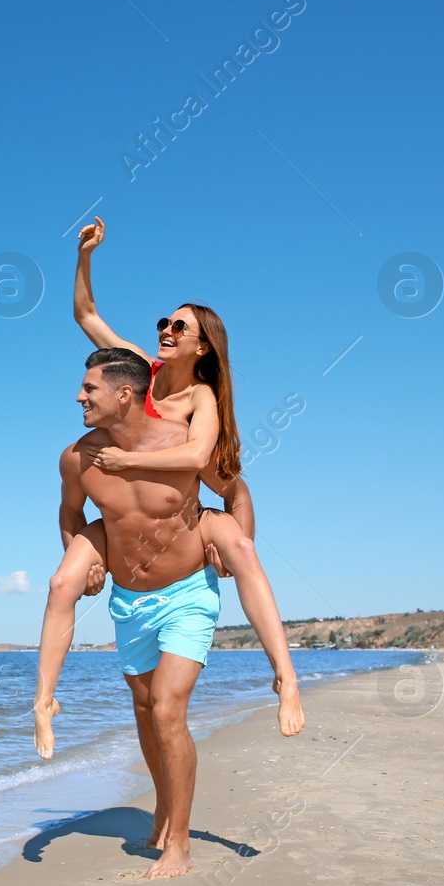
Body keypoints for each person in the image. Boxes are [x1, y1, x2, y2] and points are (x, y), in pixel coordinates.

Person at [33, 216, 304, 761]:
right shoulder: (140, 373)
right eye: (165, 321)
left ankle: (286, 676)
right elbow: (85, 314)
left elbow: (203, 461)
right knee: (63, 583)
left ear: (203, 347)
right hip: (127, 521)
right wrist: (85, 256)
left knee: (240, 549)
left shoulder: (198, 399)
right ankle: (43, 701)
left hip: (182, 509)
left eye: (181, 328)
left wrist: (220, 550)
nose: (167, 330)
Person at [34, 349, 253, 879]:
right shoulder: (75, 457)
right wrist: (87, 561)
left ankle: (179, 840)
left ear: (124, 394)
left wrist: (233, 545)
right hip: (130, 596)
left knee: (166, 709)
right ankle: (161, 805)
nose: (79, 396)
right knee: (143, 708)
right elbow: (71, 511)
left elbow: (237, 488)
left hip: (185, 589)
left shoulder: (181, 444)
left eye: (90, 388)